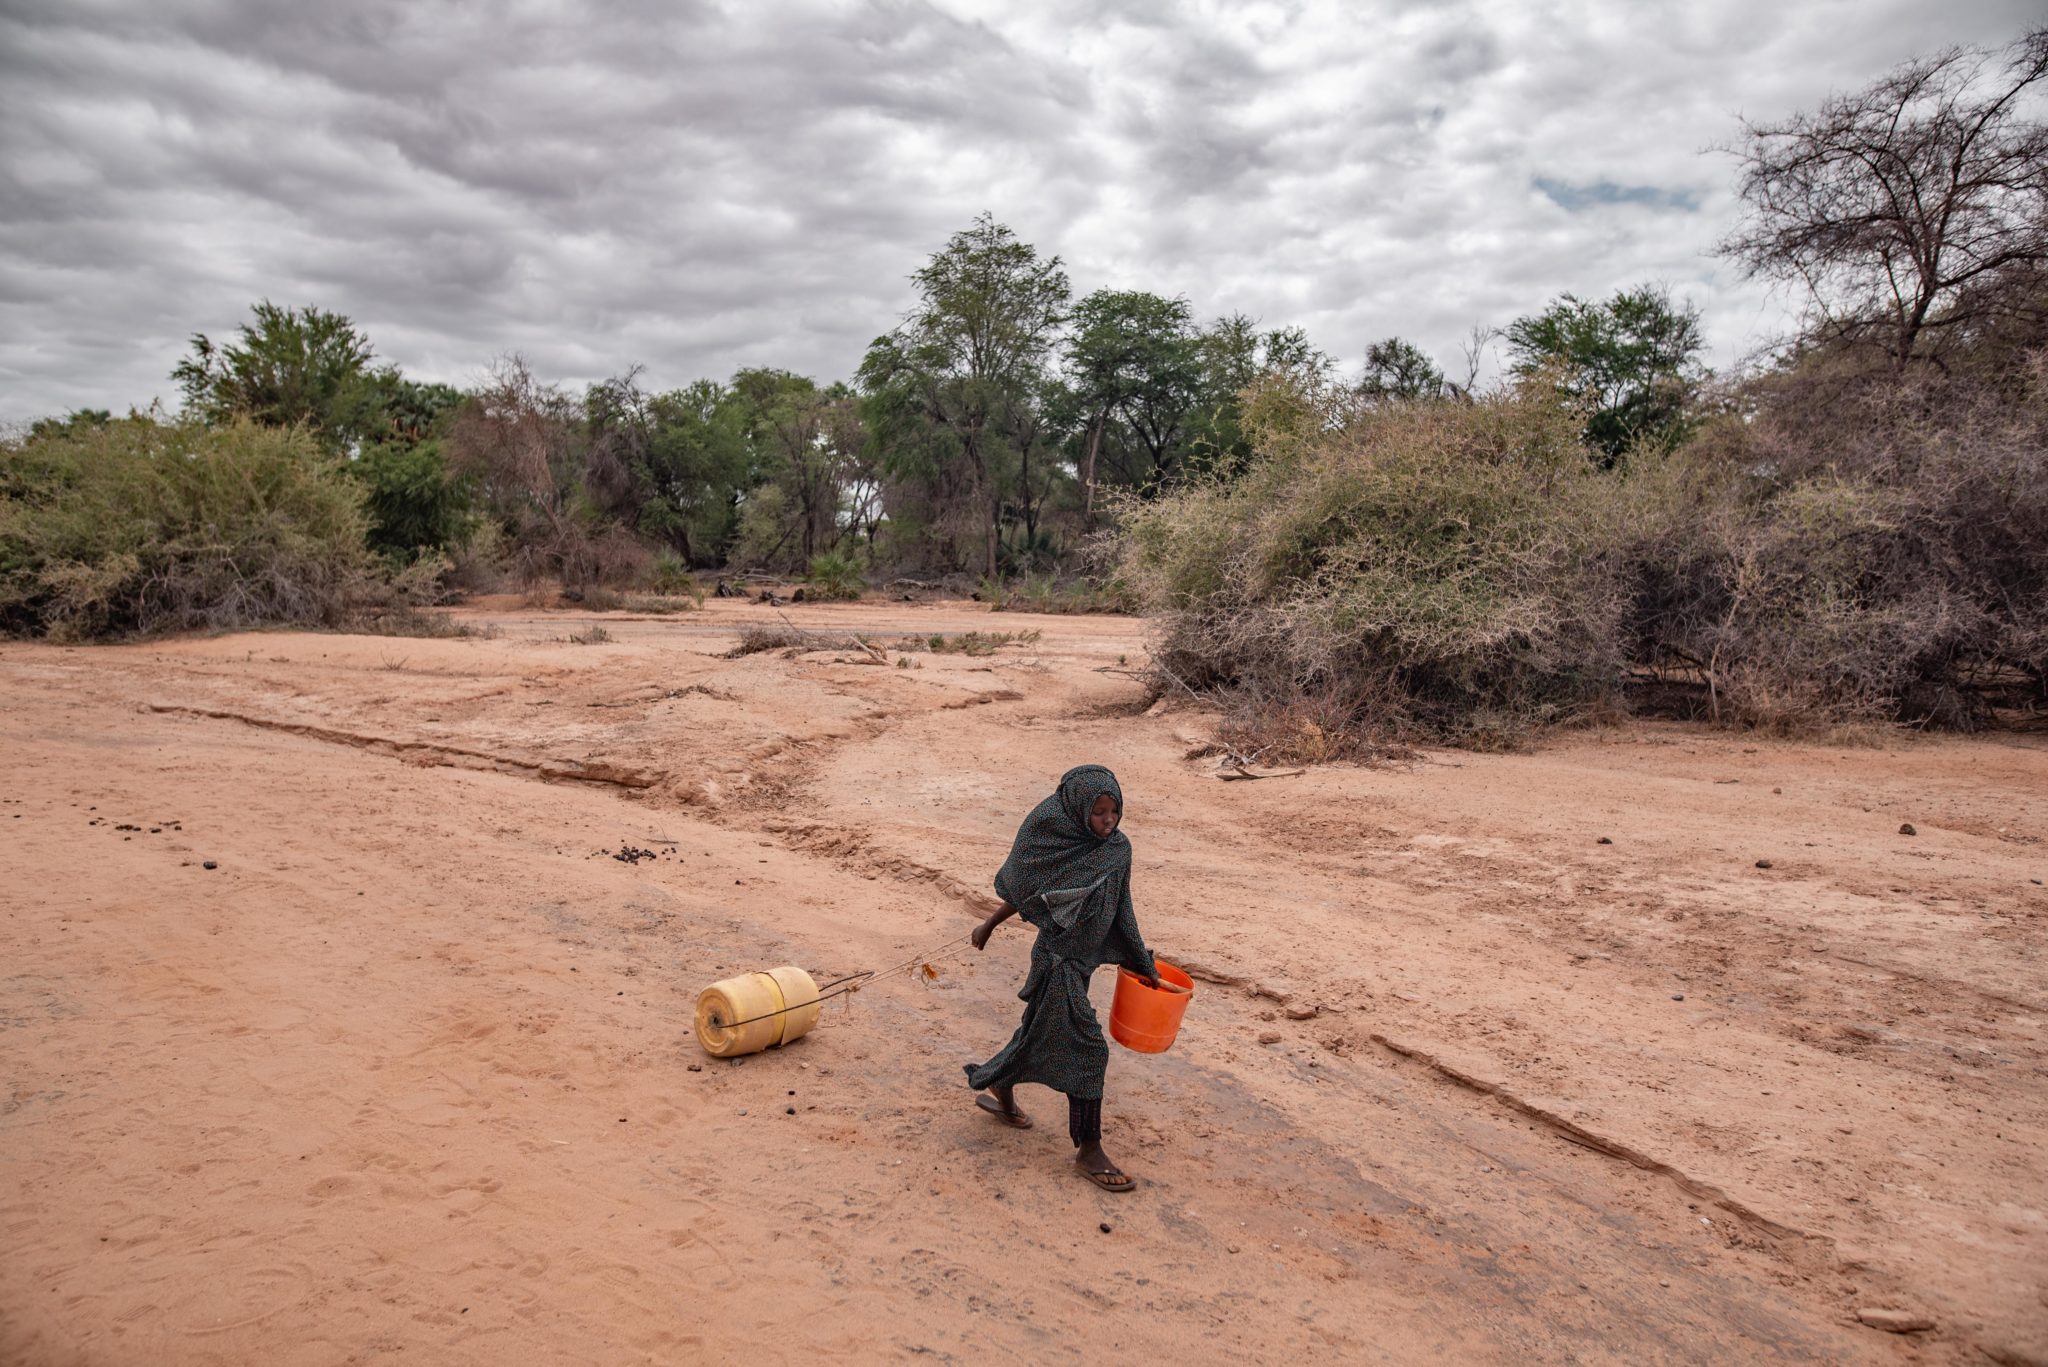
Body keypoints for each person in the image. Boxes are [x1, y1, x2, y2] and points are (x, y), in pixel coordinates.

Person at [965, 764, 1160, 1191]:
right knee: (1088, 1051)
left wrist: (1143, 964)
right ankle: (1089, 1150)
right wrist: (990, 924)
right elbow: (1026, 888)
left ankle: (1000, 1082)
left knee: (1037, 1032)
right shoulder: (1052, 837)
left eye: (1115, 811)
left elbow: (1122, 909)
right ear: (1077, 809)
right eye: (1099, 812)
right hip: (1057, 963)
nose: (1109, 820)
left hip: (1082, 963)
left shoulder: (1117, 851)